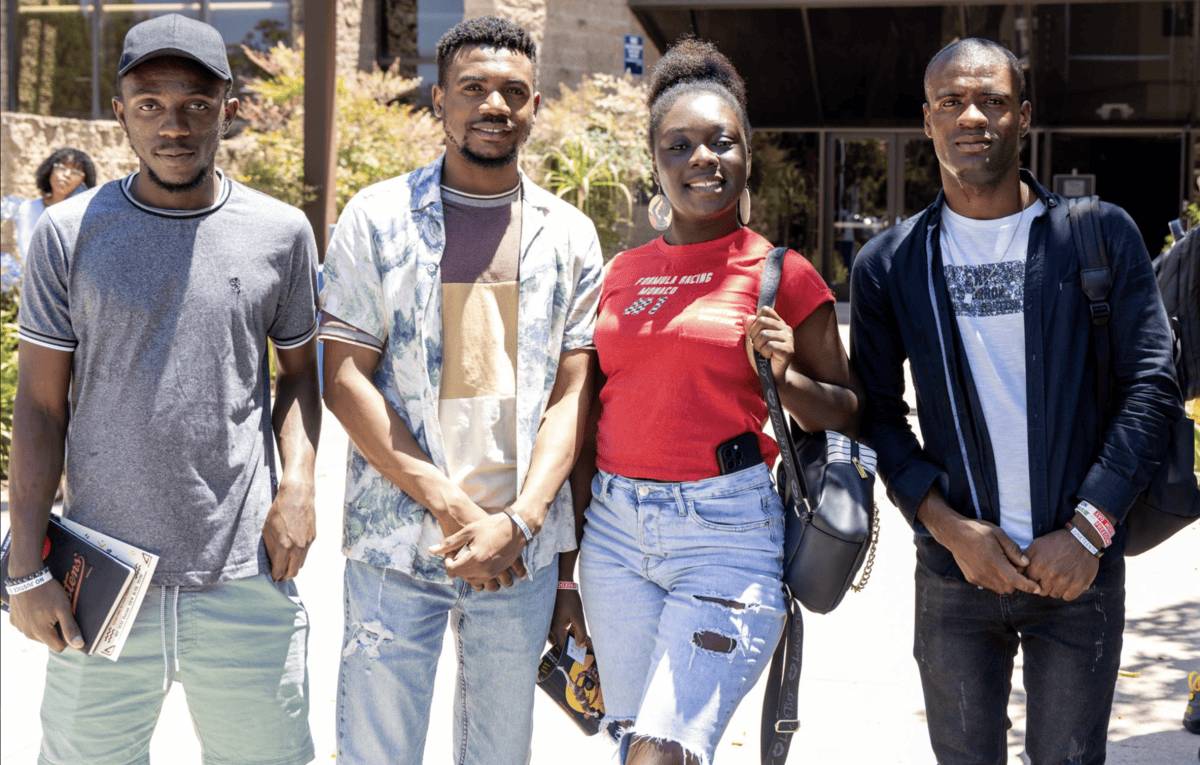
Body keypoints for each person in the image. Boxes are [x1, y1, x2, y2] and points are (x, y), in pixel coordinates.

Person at [850, 38, 1182, 765]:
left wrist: (1090, 528)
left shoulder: (1096, 235)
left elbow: (1152, 383)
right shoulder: (892, 263)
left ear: (1022, 115)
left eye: (993, 101)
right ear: (929, 121)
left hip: (1079, 571)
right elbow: (876, 414)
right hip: (956, 577)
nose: (972, 116)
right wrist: (949, 530)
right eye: (952, 102)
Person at [7, 14, 320, 765]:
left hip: (245, 575)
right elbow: (41, 410)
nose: (173, 124)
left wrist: (300, 486)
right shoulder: (67, 232)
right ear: (119, 112)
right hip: (100, 582)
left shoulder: (280, 232)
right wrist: (25, 569)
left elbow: (301, 377)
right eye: (150, 104)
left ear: (230, 110)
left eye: (196, 104)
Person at [318, 15, 602, 765]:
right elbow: (344, 379)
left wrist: (522, 519)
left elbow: (572, 397)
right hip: (396, 547)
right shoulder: (376, 220)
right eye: (472, 87)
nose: (494, 104)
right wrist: (455, 507)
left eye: (513, 91)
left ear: (535, 105)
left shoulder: (570, 235)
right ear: (437, 101)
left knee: (498, 755)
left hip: (519, 555)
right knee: (376, 754)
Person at [572, 38, 859, 765]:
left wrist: (784, 375)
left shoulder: (780, 275)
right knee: (637, 745)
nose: (704, 158)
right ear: (656, 160)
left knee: (662, 752)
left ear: (746, 154)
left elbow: (850, 411)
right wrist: (566, 557)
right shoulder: (620, 273)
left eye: (721, 142)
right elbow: (587, 415)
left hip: (723, 535)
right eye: (682, 144)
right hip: (614, 537)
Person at [15, 147, 96, 260]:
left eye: (75, 172)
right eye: (61, 167)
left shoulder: (85, 215)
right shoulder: (29, 208)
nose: (66, 174)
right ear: (49, 171)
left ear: (84, 181)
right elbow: (27, 253)